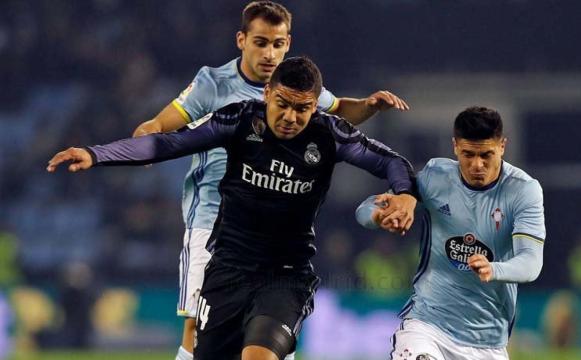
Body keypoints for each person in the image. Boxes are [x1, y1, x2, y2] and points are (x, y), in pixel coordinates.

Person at [47, 56, 418, 360]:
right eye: (283, 105)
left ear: (315, 104)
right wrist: (96, 155)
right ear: (268, 93)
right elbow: (166, 145)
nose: (290, 117)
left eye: (302, 109)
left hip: (285, 277)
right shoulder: (239, 119)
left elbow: (390, 162)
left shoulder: (329, 134)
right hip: (226, 272)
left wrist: (404, 193)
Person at [131, 2, 409, 358]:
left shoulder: (293, 86)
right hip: (213, 222)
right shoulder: (212, 83)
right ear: (241, 40)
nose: (269, 53)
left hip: (274, 229)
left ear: (288, 43)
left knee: (271, 327)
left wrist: (369, 105)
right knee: (196, 328)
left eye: (277, 44)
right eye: (261, 43)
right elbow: (164, 123)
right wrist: (147, 134)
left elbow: (340, 109)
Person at [356, 106, 545, 360]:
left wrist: (495, 269)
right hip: (428, 325)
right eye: (468, 154)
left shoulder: (523, 191)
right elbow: (365, 210)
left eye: (486, 155)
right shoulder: (436, 177)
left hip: (488, 341)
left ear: (502, 146)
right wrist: (377, 215)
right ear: (455, 146)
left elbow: (531, 263)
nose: (477, 165)